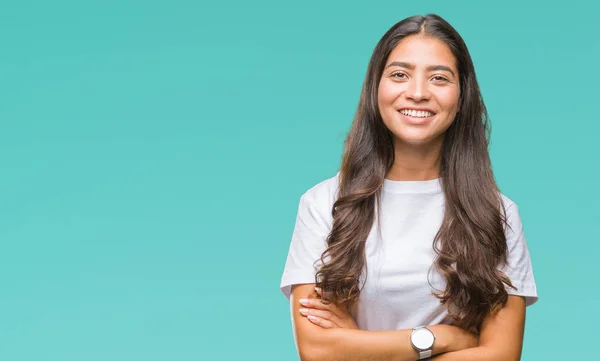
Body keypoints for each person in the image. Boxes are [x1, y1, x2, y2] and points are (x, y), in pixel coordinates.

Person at [279, 13, 538, 361]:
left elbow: (501, 356)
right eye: (400, 74)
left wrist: (357, 343)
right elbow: (317, 349)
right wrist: (439, 338)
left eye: (439, 78)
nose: (417, 93)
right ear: (376, 88)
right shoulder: (323, 203)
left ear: (462, 96)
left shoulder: (497, 213)